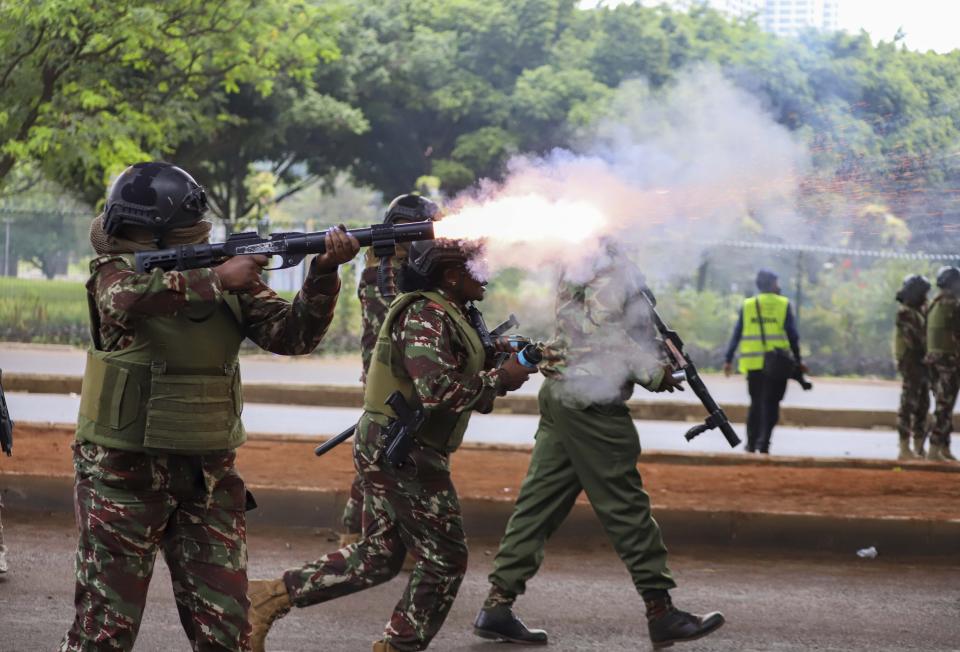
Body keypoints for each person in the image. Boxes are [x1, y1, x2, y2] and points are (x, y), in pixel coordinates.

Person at [59, 161, 359, 652]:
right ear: (152, 236)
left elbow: (293, 336)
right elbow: (126, 301)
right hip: (123, 479)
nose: (199, 239)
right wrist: (217, 277)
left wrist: (322, 275)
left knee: (227, 635)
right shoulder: (116, 272)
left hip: (208, 480)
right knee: (103, 634)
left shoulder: (226, 277)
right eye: (186, 234)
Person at [247, 239, 535, 652]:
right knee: (444, 558)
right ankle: (399, 645)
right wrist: (503, 377)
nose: (487, 274)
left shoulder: (452, 311)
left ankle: (268, 597)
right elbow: (438, 391)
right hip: (404, 450)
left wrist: (508, 356)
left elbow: (458, 364)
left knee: (379, 556)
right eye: (478, 268)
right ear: (451, 276)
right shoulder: (426, 314)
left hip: (399, 445)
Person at [472, 248, 724, 650]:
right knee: (626, 507)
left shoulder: (580, 253)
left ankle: (497, 606)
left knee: (538, 507)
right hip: (590, 402)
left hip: (563, 392)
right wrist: (654, 371)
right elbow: (601, 331)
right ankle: (661, 611)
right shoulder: (603, 263)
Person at [338, 194, 440, 549]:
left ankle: (354, 530)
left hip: (384, 373)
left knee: (379, 451)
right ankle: (377, 539)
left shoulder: (385, 266)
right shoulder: (394, 274)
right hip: (392, 375)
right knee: (392, 452)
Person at [723, 269, 805, 454]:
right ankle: (764, 442)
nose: (779, 286)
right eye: (777, 282)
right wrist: (798, 360)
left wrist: (728, 359)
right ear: (771, 284)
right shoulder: (783, 304)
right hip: (777, 364)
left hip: (753, 364)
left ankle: (751, 443)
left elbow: (737, 333)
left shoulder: (748, 304)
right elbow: (793, 336)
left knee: (756, 403)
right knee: (771, 404)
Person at [924, 266, 960, 462]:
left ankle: (943, 447)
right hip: (949, 362)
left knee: (942, 404)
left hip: (933, 361)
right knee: (944, 406)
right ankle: (935, 448)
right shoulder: (953, 306)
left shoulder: (933, 305)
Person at [894, 274, 932, 460]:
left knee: (923, 404)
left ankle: (918, 445)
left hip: (921, 363)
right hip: (912, 363)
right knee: (909, 404)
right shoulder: (906, 313)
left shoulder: (918, 311)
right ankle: (904, 447)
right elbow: (916, 340)